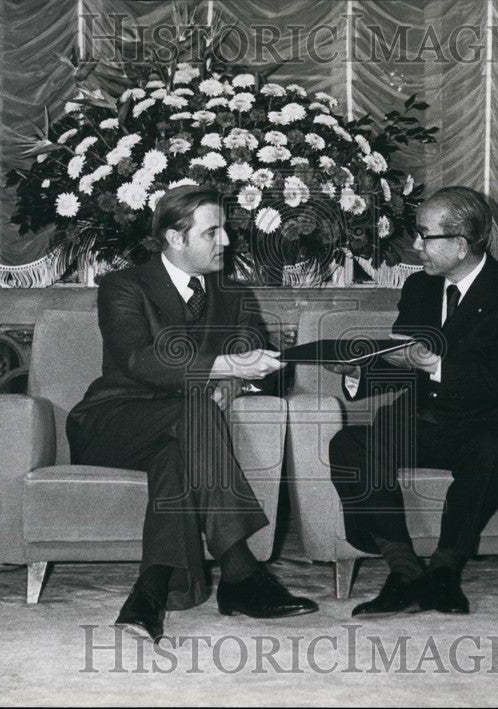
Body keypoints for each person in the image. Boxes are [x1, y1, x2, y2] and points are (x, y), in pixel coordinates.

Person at [66, 185, 317, 641]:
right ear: (175, 238)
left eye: (225, 231)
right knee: (194, 413)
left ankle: (151, 590)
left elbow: (269, 371)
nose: (226, 242)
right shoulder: (124, 286)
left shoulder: (233, 296)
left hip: (184, 432)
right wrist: (222, 367)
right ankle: (241, 571)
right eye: (213, 232)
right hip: (114, 421)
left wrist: (235, 380)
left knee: (177, 459)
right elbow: (139, 361)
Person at [326, 186, 498, 616]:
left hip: (483, 425)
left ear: (461, 244)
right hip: (419, 421)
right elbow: (403, 362)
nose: (416, 246)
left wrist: (436, 365)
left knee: (493, 451)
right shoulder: (420, 288)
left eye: (425, 236)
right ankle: (405, 572)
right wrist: (359, 372)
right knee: (350, 444)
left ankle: (446, 571)